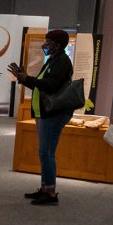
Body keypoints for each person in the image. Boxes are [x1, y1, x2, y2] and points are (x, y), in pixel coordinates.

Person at [8, 29, 74, 205]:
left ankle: (50, 192)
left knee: (47, 153)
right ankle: (45, 188)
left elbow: (50, 86)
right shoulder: (53, 60)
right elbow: (41, 85)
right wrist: (24, 78)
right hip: (44, 112)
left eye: (49, 42)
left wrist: (27, 78)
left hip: (53, 114)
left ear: (58, 45)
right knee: (44, 153)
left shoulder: (62, 62)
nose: (45, 45)